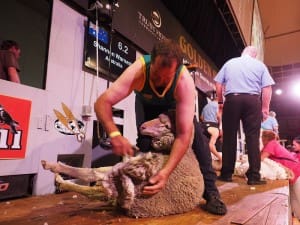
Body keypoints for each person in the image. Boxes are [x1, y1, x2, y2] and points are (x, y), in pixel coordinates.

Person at [95, 39, 227, 215]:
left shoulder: (184, 82)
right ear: (151, 63)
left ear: (178, 70)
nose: (161, 81)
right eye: (156, 75)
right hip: (147, 103)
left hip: (174, 105)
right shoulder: (138, 70)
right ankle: (137, 191)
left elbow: (183, 135)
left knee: (199, 141)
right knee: (144, 143)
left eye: (167, 77)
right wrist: (114, 133)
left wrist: (166, 172)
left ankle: (211, 193)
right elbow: (102, 102)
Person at [214, 45, 275, 185]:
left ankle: (226, 174)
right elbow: (267, 88)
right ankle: (254, 176)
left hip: (232, 99)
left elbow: (218, 84)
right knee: (253, 138)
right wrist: (265, 108)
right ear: (254, 55)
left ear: (243, 53)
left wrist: (220, 102)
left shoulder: (229, 63)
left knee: (229, 137)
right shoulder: (259, 65)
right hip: (252, 101)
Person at [260, 130, 300, 220]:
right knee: (294, 203)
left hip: (296, 172)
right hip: (293, 174)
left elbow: (261, 159)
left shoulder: (271, 144)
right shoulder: (270, 145)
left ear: (264, 138)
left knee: (297, 200)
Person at [200, 92, 222, 162]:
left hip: (203, 126)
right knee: (212, 145)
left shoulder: (206, 106)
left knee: (205, 146)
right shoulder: (219, 106)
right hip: (213, 127)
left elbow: (201, 117)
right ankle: (220, 158)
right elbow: (219, 116)